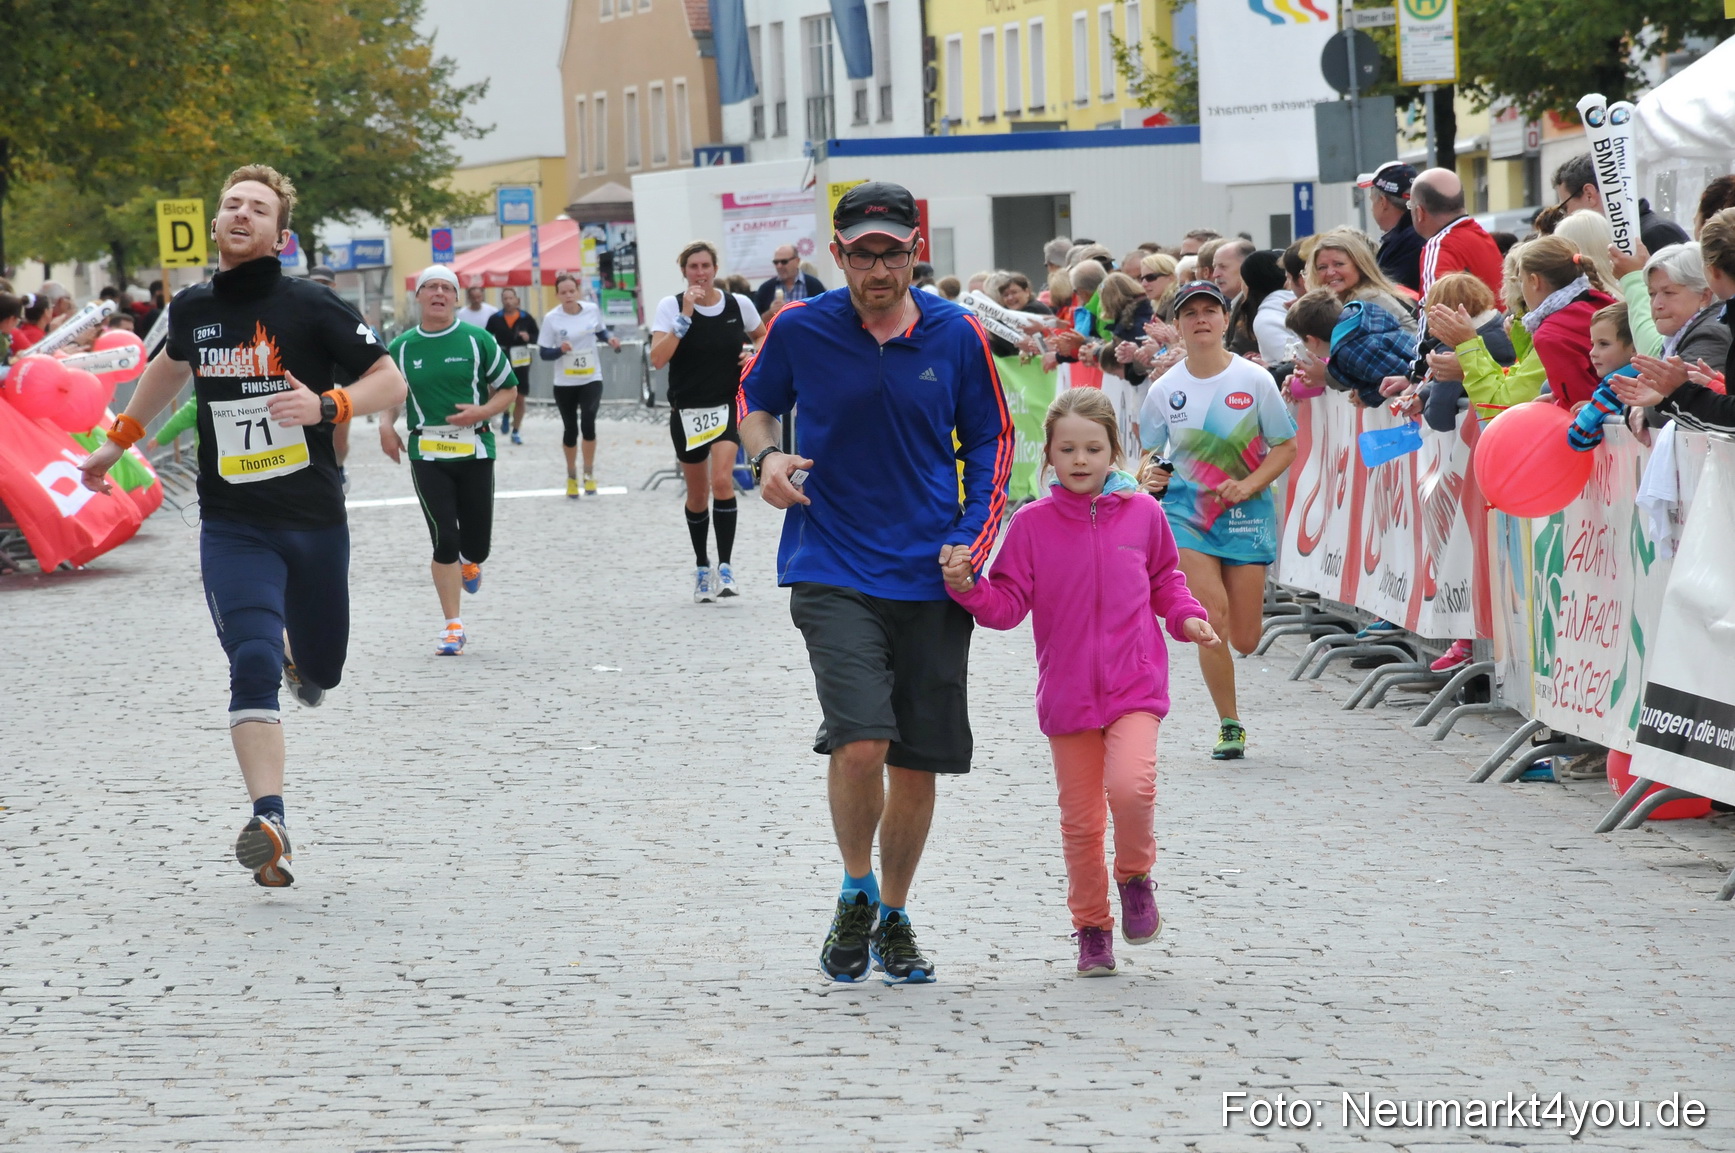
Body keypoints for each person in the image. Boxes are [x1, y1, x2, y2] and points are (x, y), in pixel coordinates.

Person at [76, 163, 407, 888]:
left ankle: (300, 655)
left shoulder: (313, 306)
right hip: (233, 524)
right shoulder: (194, 308)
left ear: (279, 237)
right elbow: (167, 368)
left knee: (322, 670)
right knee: (249, 659)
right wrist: (115, 442)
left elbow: (390, 379)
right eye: (230, 204)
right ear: (218, 222)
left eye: (256, 208)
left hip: (313, 519)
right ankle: (271, 820)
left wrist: (329, 406)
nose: (239, 214)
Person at [737, 180, 1013, 984]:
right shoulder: (800, 327)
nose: (878, 268)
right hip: (831, 562)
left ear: (914, 252)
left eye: (892, 252)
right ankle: (854, 887)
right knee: (862, 742)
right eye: (862, 254)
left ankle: (892, 913)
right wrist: (766, 458)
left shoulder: (957, 334)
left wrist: (971, 538)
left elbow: (991, 440)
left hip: (930, 572)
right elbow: (753, 402)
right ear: (839, 253)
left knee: (916, 762)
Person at [941, 388, 1216, 977]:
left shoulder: (1143, 513)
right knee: (1082, 823)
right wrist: (967, 588)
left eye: (1093, 448)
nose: (1081, 459)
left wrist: (1186, 617)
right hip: (1067, 697)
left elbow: (1166, 578)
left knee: (1133, 788)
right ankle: (1092, 928)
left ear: (1115, 450)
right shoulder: (1033, 525)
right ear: (1050, 457)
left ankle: (1136, 875)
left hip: (1134, 684)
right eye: (1067, 449)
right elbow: (1008, 602)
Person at [1137, 281, 1297, 759]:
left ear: (1226, 322)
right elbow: (1149, 454)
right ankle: (1230, 724)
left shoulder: (1254, 380)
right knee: (1211, 619)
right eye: (1191, 313)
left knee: (1246, 638)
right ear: (1180, 325)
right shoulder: (1165, 389)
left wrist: (1248, 486)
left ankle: (1232, 699)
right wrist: (1150, 478)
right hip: (1188, 515)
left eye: (1211, 311)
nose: (1201, 319)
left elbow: (1285, 446)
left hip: (1247, 515)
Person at [381, 266, 517, 656]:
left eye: (446, 288)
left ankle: (471, 561)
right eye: (431, 287)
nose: (439, 293)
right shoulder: (402, 347)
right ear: (419, 297)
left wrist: (481, 411)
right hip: (426, 450)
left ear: (456, 297)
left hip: (475, 448)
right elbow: (390, 393)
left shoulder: (478, 340)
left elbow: (508, 389)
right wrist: (386, 428)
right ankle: (453, 626)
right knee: (445, 538)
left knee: (476, 544)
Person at [650, 240, 764, 602]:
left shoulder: (738, 304)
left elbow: (763, 337)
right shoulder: (670, 306)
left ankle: (726, 567)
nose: (700, 273)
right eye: (693, 267)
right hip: (687, 410)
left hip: (727, 405)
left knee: (722, 481)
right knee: (698, 493)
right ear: (684, 271)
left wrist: (751, 355)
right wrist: (685, 316)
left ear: (715, 269)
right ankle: (702, 566)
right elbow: (657, 359)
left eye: (705, 266)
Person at [1511, 235, 1616, 410]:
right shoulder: (1599, 300)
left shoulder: (1549, 335)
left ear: (1534, 281)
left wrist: (1560, 402)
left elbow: (1577, 401)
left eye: (1522, 280)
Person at [539, 272, 620, 497]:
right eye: (563, 292)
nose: (568, 295)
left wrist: (609, 339)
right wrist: (559, 350)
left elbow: (600, 330)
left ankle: (589, 474)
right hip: (564, 381)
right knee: (570, 429)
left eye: (571, 291)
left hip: (590, 377)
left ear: (578, 292)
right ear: (557, 295)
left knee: (588, 423)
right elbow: (544, 353)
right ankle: (571, 475)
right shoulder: (552, 318)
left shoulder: (591, 310)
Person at [1553, 153, 1689, 256]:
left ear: (1589, 194)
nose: (1566, 216)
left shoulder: (1656, 233)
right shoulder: (1626, 234)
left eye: (1565, 208)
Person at [1410, 168, 1505, 299]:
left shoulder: (1438, 246)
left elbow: (1433, 315)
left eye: (1410, 205)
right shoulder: (1483, 237)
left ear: (1419, 212)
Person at [1359, 161, 1424, 293]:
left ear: (1383, 202)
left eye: (1372, 201)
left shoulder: (1406, 244)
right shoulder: (1421, 232)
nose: (1371, 209)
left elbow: (1391, 296)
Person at [485, 286, 539, 444]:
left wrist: (528, 337)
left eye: (511, 298)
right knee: (500, 391)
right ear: (502, 301)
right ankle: (506, 414)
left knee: (520, 396)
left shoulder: (526, 318)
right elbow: (487, 337)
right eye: (505, 298)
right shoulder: (495, 318)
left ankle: (516, 430)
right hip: (502, 357)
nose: (508, 301)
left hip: (521, 358)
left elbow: (537, 336)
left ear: (518, 300)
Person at [752, 244, 826, 318]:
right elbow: (755, 323)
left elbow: (824, 315)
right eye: (776, 262)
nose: (779, 266)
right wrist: (770, 313)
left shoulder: (814, 285)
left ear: (797, 261)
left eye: (784, 262)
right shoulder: (766, 289)